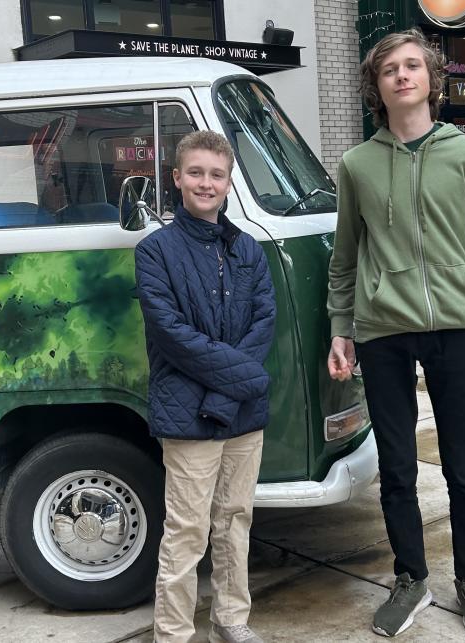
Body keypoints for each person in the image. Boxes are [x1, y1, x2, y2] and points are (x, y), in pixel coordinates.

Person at [326, 28, 465, 638]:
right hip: (382, 333)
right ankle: (410, 578)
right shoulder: (357, 164)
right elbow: (346, 259)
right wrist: (341, 329)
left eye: (412, 66)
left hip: (456, 330)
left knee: (464, 466)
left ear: (432, 78)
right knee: (398, 467)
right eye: (389, 70)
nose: (402, 76)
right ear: (377, 88)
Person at [135, 130, 275, 643]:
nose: (206, 183)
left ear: (229, 182)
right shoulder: (154, 253)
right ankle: (172, 634)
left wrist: (224, 393)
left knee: (235, 524)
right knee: (186, 534)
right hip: (186, 417)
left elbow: (263, 326)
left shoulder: (249, 252)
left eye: (216, 174)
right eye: (195, 172)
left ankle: (231, 621)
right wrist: (240, 384)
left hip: (239, 417)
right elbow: (174, 337)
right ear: (176, 178)